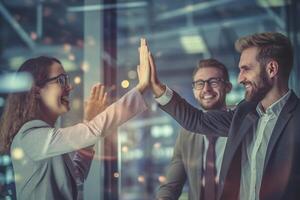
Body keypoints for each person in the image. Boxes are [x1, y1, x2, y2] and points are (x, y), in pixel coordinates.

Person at [142, 32, 300, 200]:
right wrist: (156, 86)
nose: (240, 78)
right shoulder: (244, 114)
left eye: (246, 69)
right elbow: (197, 120)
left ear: (271, 69)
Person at [0, 39, 150, 200]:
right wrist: (140, 88)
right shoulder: (30, 136)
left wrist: (90, 122)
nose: (69, 87)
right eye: (61, 80)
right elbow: (93, 131)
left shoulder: (45, 137)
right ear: (37, 90)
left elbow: (75, 176)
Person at [156, 59, 230, 200]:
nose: (206, 89)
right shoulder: (186, 134)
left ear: (228, 87)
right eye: (199, 84)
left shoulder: (239, 126)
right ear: (194, 91)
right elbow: (171, 186)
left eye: (213, 82)